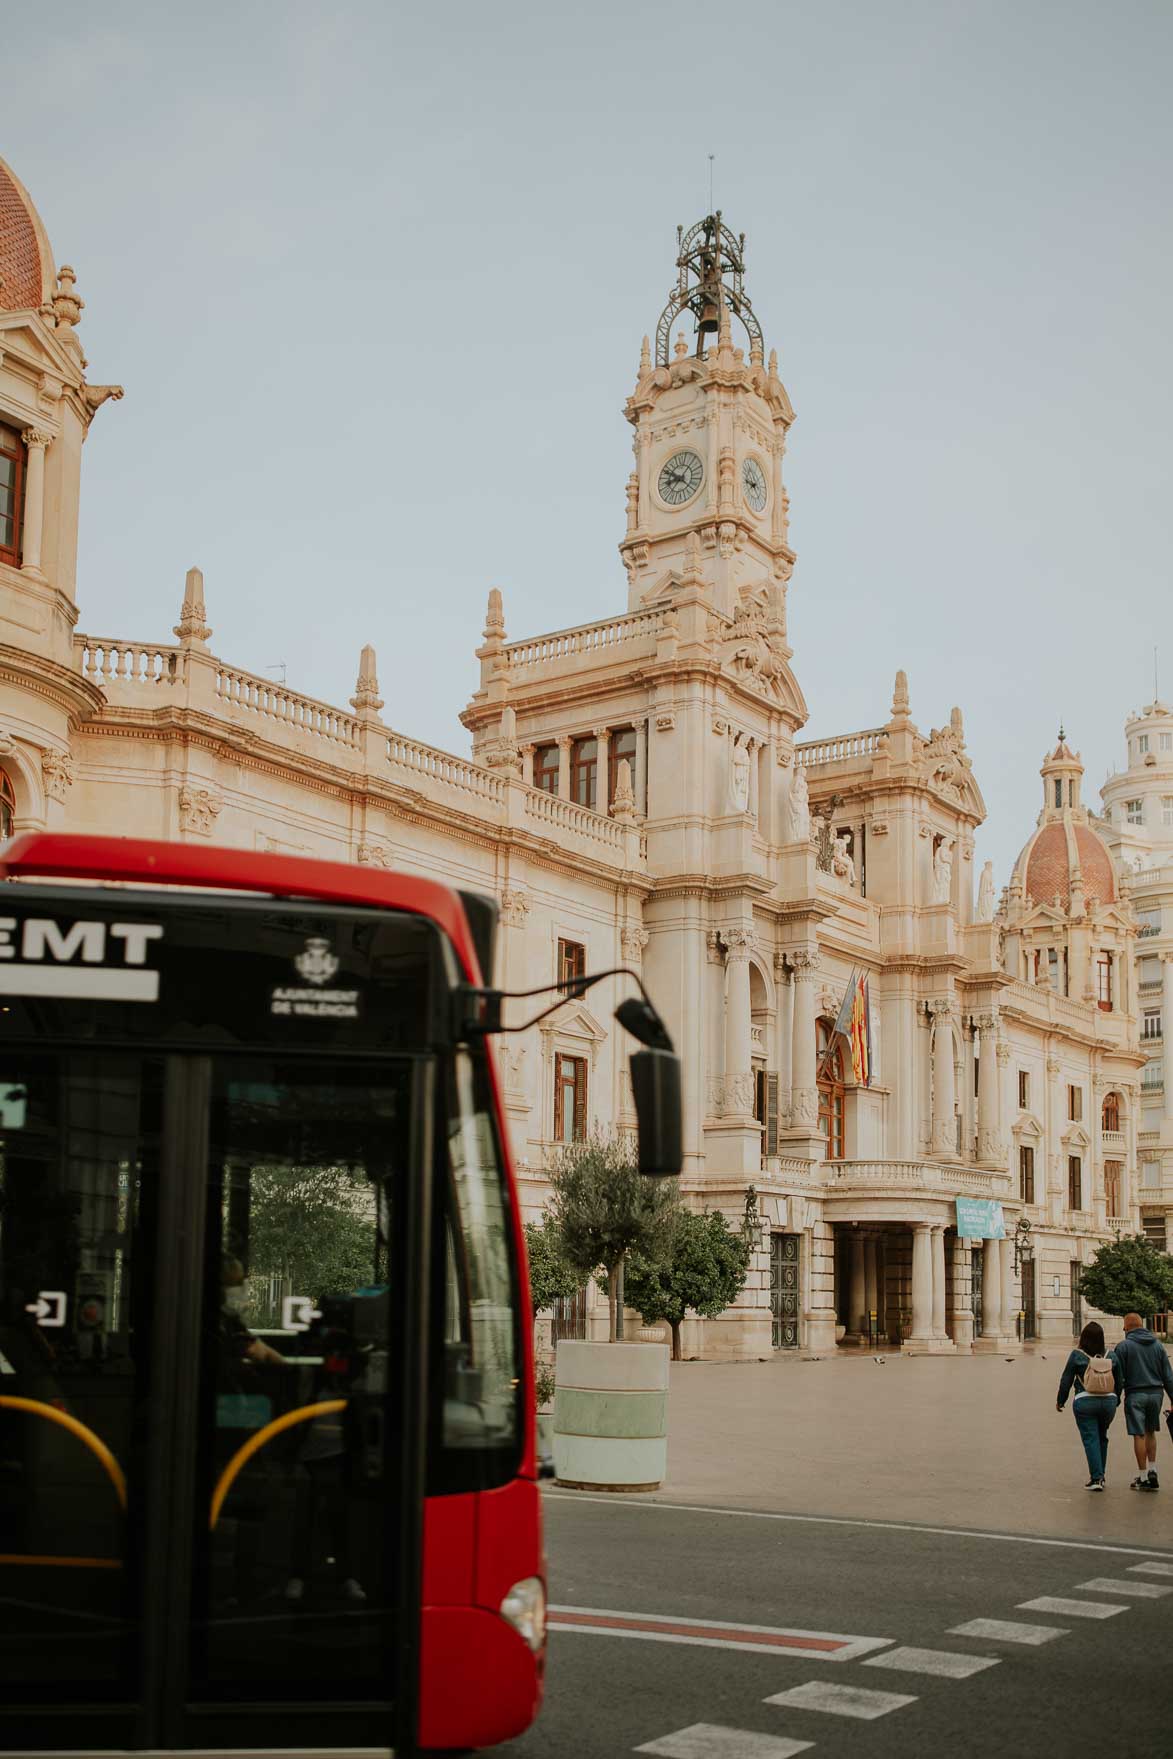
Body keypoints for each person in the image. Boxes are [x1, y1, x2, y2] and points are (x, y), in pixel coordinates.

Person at [1056, 1321, 1121, 1490]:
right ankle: (1101, 1475)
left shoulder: (1077, 1355)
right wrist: (1117, 1399)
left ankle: (1096, 1478)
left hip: (1085, 1401)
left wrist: (1060, 1400)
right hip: (1108, 1401)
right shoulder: (1111, 1355)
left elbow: (1066, 1380)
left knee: (1090, 1438)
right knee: (1102, 1436)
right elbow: (1119, 1380)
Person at [1113, 1311, 1173, 1491]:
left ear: (1127, 1327)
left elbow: (1119, 1376)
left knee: (1138, 1434)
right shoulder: (1158, 1345)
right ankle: (1153, 1469)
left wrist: (1115, 1397)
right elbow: (1168, 1376)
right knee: (1150, 1431)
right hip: (1156, 1394)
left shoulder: (1123, 1347)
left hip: (1135, 1395)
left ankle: (1143, 1476)